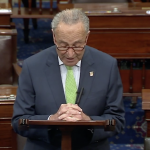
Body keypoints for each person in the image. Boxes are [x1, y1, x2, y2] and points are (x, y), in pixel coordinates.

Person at [12, 9, 125, 150]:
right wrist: (51, 120)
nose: (70, 54)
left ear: (86, 37)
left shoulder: (107, 65)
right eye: (63, 46)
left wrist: (88, 121)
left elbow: (117, 121)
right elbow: (19, 121)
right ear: (54, 37)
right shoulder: (32, 66)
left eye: (77, 46)